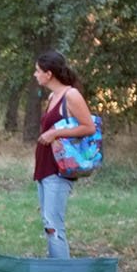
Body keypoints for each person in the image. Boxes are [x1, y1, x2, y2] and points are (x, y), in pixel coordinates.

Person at [32, 50, 96, 258]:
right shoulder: (52, 96)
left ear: (48, 74)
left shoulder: (71, 95)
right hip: (44, 167)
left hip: (59, 170)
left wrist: (56, 133)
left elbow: (89, 127)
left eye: (38, 71)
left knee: (54, 226)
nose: (35, 75)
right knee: (48, 224)